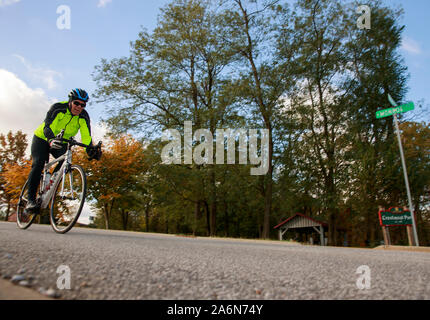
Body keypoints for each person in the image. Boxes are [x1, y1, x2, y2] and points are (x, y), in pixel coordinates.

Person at [25, 88, 102, 212]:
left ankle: (51, 181)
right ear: (70, 101)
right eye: (76, 103)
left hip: (61, 142)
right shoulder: (58, 108)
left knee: (65, 162)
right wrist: (50, 139)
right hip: (43, 138)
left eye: (83, 105)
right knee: (38, 163)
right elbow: (48, 126)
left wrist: (90, 150)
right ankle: (30, 201)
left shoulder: (83, 116)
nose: (79, 107)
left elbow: (86, 136)